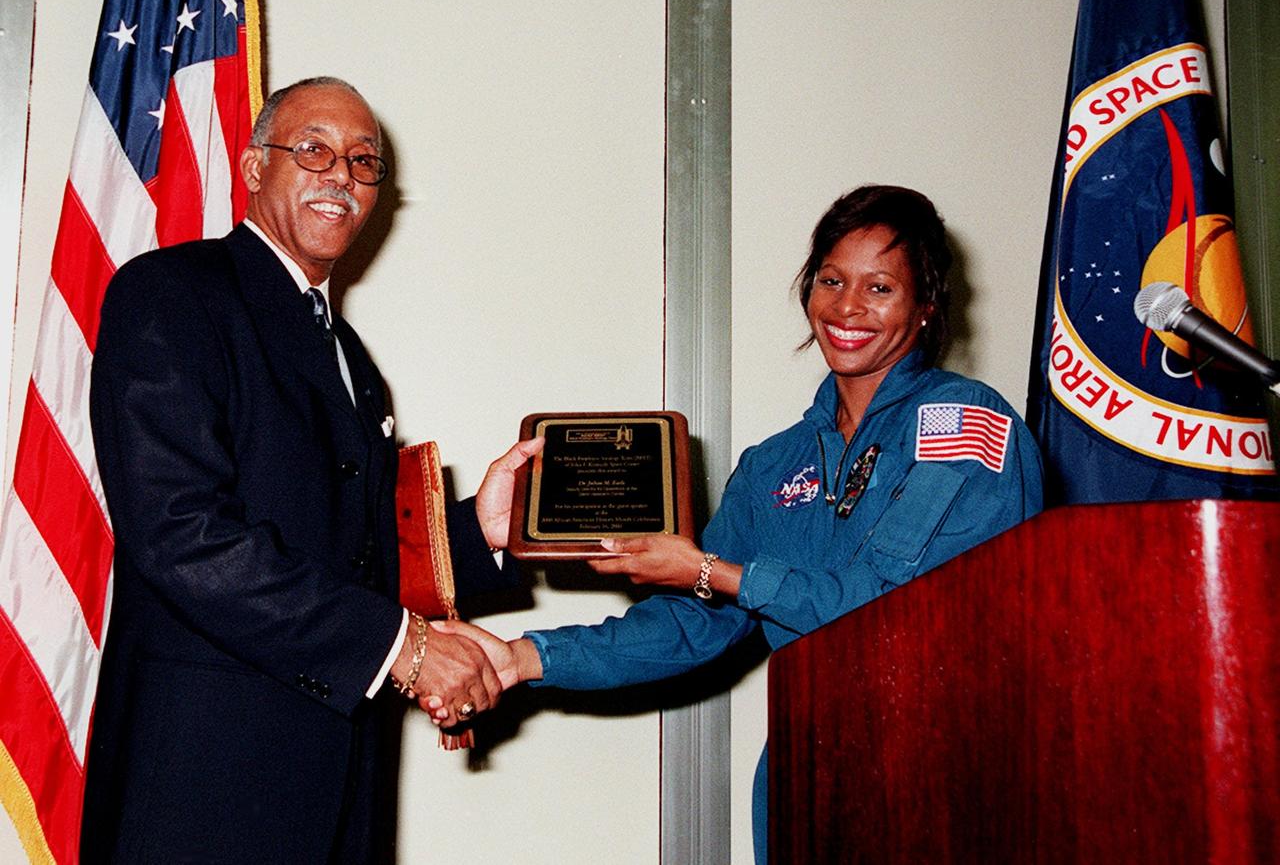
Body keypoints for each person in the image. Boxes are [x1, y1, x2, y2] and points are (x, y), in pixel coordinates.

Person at [439, 184, 1045, 863]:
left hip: (938, 774)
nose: (847, 307)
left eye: (880, 288)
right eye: (831, 279)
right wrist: (524, 656)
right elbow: (698, 622)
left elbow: (895, 609)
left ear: (927, 308)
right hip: (805, 777)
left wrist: (710, 569)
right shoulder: (773, 462)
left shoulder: (962, 423)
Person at [81, 76, 537, 863]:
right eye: (315, 150)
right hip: (204, 785)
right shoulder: (173, 294)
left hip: (336, 783)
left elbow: (351, 553)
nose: (342, 176)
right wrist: (406, 648)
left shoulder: (351, 358)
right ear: (256, 168)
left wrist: (479, 529)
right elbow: (182, 536)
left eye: (365, 162)